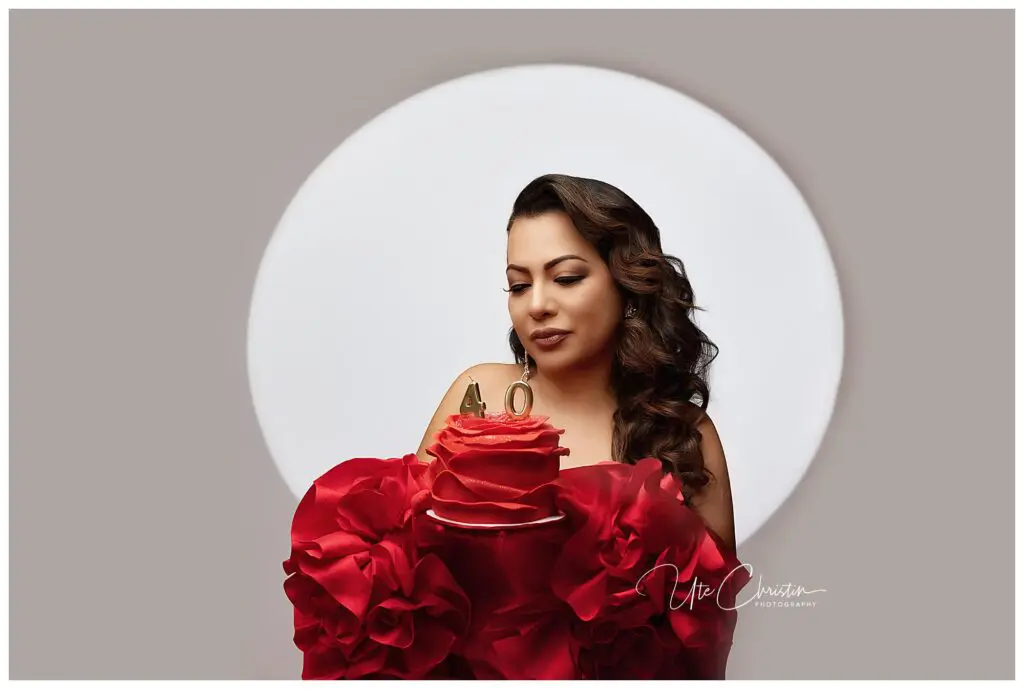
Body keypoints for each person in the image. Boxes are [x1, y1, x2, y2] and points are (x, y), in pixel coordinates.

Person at [416, 172, 737, 554]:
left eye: (566, 278)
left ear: (627, 286)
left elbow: (708, 605)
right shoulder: (477, 395)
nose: (536, 306)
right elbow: (405, 551)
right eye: (519, 285)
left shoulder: (682, 433)